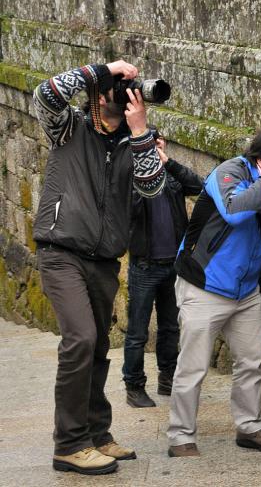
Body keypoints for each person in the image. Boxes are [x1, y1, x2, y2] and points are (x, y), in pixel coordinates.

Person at [32, 61, 165, 475]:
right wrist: (101, 69)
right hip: (62, 251)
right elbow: (45, 94)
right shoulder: (68, 126)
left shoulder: (136, 140)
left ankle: (96, 434)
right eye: (117, 88)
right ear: (97, 93)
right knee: (81, 338)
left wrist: (141, 132)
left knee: (98, 346)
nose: (125, 94)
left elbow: (151, 187)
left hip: (105, 260)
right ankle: (68, 444)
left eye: (130, 88)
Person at [166, 128, 261, 457]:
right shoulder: (230, 172)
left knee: (252, 362)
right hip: (204, 285)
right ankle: (181, 436)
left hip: (247, 289)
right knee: (193, 367)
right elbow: (236, 211)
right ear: (260, 159)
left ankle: (250, 426)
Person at [123, 129, 205, 408]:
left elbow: (201, 187)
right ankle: (134, 385)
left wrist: (167, 162)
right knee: (137, 331)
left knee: (170, 327)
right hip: (144, 266)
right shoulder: (131, 178)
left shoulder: (172, 176)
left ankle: (167, 377)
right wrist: (142, 166)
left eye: (156, 145)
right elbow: (127, 210)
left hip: (174, 265)